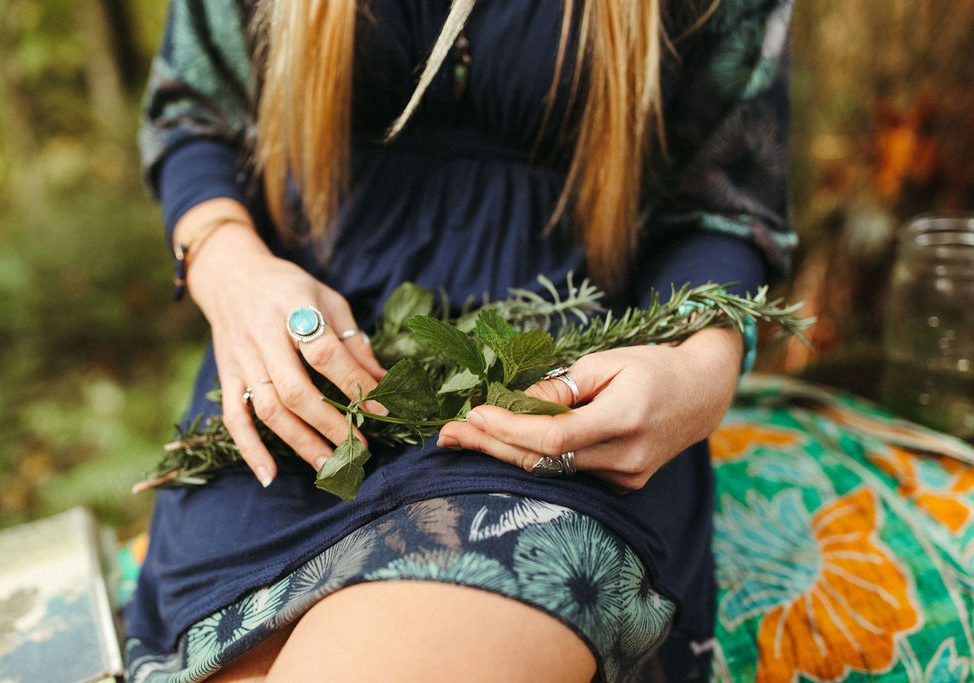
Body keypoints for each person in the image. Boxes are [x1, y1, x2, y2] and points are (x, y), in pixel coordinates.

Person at [125, 0, 795, 680]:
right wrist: (228, 266)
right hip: (301, 401)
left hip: (546, 408)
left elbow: (724, 198)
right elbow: (195, 114)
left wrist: (702, 370)